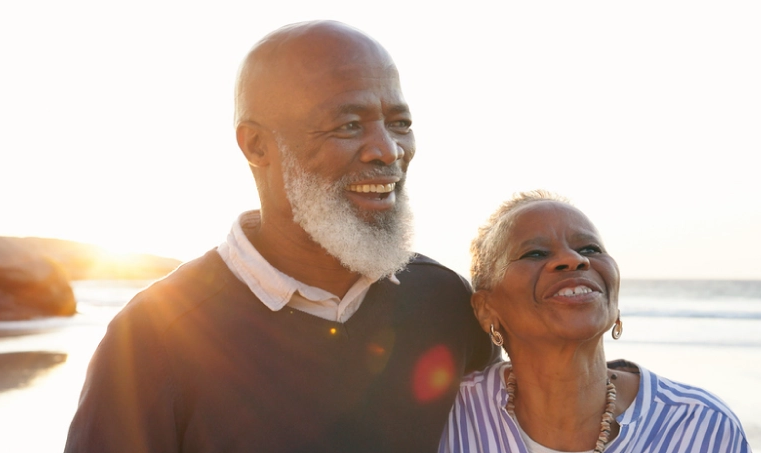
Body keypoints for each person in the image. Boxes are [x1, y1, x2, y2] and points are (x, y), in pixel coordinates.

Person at [65, 21, 495, 453]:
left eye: (399, 122)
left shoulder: (446, 301)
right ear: (256, 146)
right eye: (349, 125)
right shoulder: (152, 338)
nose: (388, 150)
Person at [440, 191, 750, 453]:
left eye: (589, 249)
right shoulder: (445, 417)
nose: (574, 259)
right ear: (487, 309)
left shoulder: (701, 427)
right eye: (535, 253)